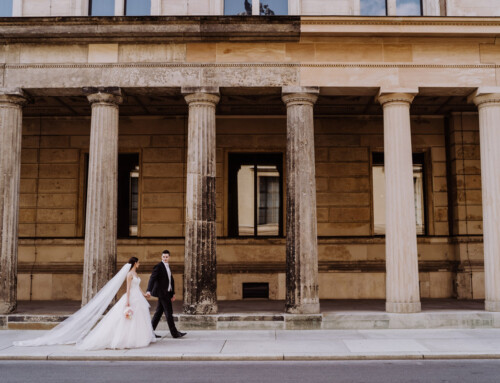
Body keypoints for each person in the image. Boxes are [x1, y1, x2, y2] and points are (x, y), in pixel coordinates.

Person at [14, 257, 156, 350]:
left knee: (138, 319)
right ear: (135, 263)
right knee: (126, 319)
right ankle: (126, 339)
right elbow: (128, 289)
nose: (139, 264)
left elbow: (137, 287)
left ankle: (139, 338)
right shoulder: (129, 275)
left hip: (139, 297)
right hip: (131, 298)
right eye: (138, 262)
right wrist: (127, 302)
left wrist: (145, 294)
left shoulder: (136, 274)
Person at [146, 249, 186, 339]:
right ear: (161, 257)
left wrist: (173, 293)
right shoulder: (158, 266)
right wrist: (149, 290)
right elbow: (152, 279)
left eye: (166, 257)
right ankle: (174, 333)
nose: (165, 258)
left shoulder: (168, 266)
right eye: (163, 257)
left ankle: (149, 332)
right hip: (162, 293)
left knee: (158, 313)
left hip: (167, 293)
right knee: (169, 313)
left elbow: (170, 281)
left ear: (169, 257)